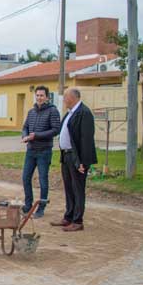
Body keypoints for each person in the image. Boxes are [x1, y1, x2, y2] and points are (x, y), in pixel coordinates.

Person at [50, 88, 97, 232]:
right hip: (67, 156)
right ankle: (68, 216)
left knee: (78, 189)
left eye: (66, 97)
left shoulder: (84, 113)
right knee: (69, 188)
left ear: (74, 97)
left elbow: (86, 139)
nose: (64, 99)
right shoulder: (70, 113)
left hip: (77, 158)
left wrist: (82, 162)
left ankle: (78, 220)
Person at [20, 85, 61, 218]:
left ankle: (41, 208)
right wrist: (25, 136)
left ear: (47, 97)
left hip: (44, 151)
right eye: (37, 95)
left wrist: (36, 135)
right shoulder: (31, 112)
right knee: (26, 178)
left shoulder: (53, 111)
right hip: (31, 150)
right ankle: (28, 205)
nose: (39, 98)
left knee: (43, 180)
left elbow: (55, 130)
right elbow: (25, 127)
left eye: (42, 95)